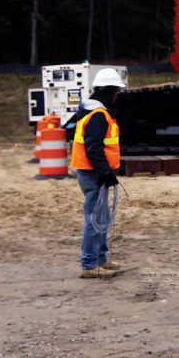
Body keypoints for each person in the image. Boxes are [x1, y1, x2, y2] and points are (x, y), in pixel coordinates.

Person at [70, 68, 126, 279]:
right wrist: (104, 172)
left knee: (101, 217)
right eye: (116, 92)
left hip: (92, 172)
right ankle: (90, 264)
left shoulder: (90, 111)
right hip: (93, 173)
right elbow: (93, 147)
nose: (117, 96)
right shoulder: (98, 116)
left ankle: (101, 259)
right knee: (94, 219)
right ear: (108, 92)